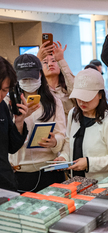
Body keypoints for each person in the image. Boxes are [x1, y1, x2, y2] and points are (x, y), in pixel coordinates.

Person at [8, 54, 66, 192]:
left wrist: (54, 142)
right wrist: (19, 119)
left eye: (32, 77)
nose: (29, 81)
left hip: (49, 170)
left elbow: (61, 133)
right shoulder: (7, 102)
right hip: (19, 171)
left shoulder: (54, 101)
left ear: (40, 74)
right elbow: (7, 140)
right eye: (24, 78)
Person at [55, 68, 108, 181]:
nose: (82, 101)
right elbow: (69, 142)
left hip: (102, 184)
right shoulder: (73, 114)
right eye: (79, 97)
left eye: (87, 97)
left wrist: (89, 163)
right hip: (76, 182)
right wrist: (63, 157)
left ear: (100, 95)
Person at [0, 56, 32, 191]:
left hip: (5, 184)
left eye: (4, 90)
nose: (0, 95)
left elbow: (11, 147)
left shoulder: (2, 106)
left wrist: (19, 122)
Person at [38, 41, 76, 119]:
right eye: (45, 62)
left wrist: (61, 60)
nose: (50, 64)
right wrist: (37, 60)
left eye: (53, 61)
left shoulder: (67, 88)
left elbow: (76, 92)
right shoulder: (40, 91)